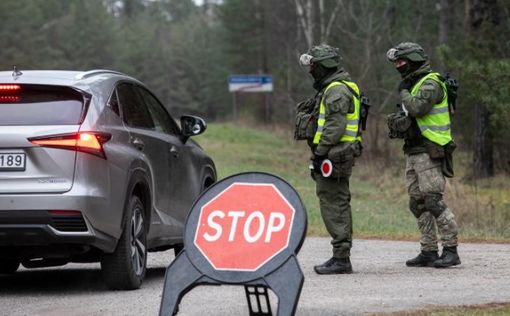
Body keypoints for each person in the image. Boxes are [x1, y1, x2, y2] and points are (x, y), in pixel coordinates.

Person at [386, 42, 461, 268]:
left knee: (433, 201)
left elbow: (418, 108)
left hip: (430, 149)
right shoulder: (415, 83)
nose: (398, 66)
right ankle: (428, 250)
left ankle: (450, 249)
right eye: (396, 62)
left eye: (401, 61)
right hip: (414, 150)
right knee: (417, 202)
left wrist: (404, 91)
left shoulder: (430, 83)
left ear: (414, 60)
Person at [295, 44, 363, 274]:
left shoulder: (336, 90)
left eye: (313, 65)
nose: (310, 70)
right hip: (334, 154)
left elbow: (335, 127)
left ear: (324, 66)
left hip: (334, 155)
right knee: (335, 201)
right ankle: (341, 255)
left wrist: (320, 153)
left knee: (334, 203)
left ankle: (341, 258)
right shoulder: (333, 88)